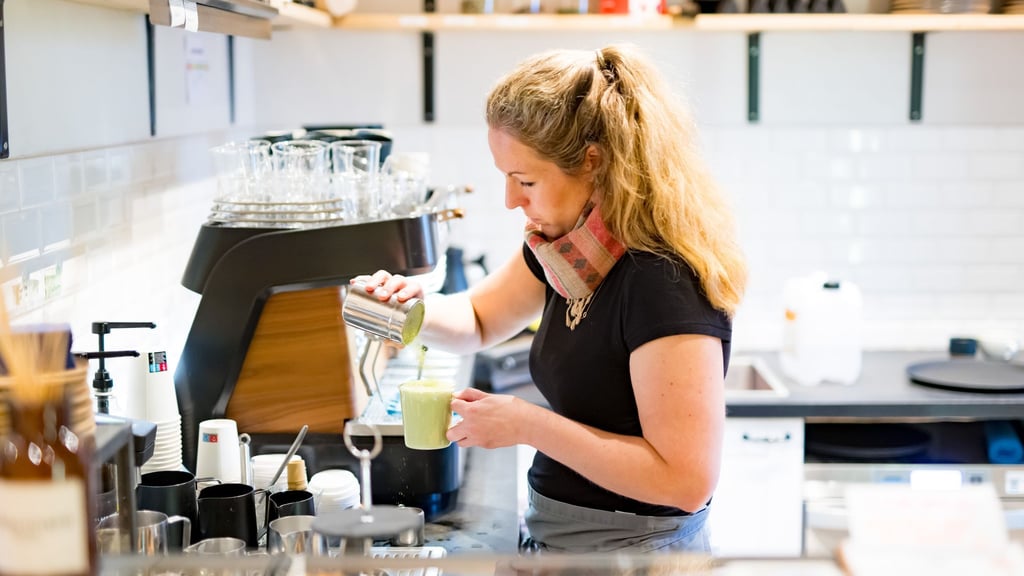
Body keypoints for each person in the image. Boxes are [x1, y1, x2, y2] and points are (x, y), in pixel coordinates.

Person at [352, 44, 747, 554]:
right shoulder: (568, 249)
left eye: (526, 180)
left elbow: (685, 481)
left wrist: (527, 424)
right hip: (565, 541)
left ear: (594, 163)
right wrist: (410, 306)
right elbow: (477, 318)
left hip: (635, 556)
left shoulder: (662, 279)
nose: (511, 200)